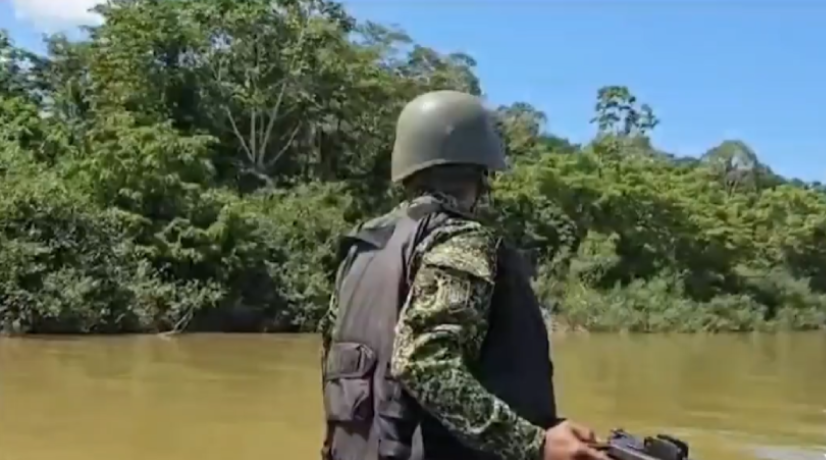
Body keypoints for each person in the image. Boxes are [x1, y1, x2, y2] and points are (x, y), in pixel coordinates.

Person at [318, 90, 607, 460]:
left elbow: (334, 358)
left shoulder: (363, 249)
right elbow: (424, 364)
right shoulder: (461, 240)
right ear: (481, 173)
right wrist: (535, 443)